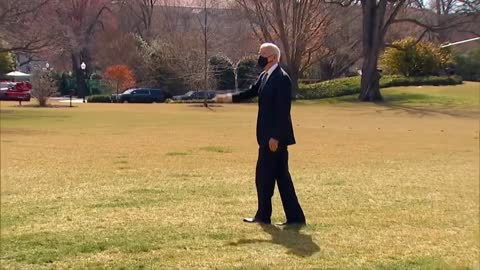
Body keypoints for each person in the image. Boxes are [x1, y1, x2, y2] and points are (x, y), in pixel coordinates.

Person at [214, 43, 306, 226]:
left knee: (264, 176)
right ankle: (294, 218)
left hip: (273, 139)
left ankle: (264, 216)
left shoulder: (281, 79)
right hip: (266, 136)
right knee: (281, 177)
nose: (259, 57)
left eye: (262, 54)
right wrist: (228, 98)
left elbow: (283, 111)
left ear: (272, 57)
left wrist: (276, 137)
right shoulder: (265, 76)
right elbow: (250, 92)